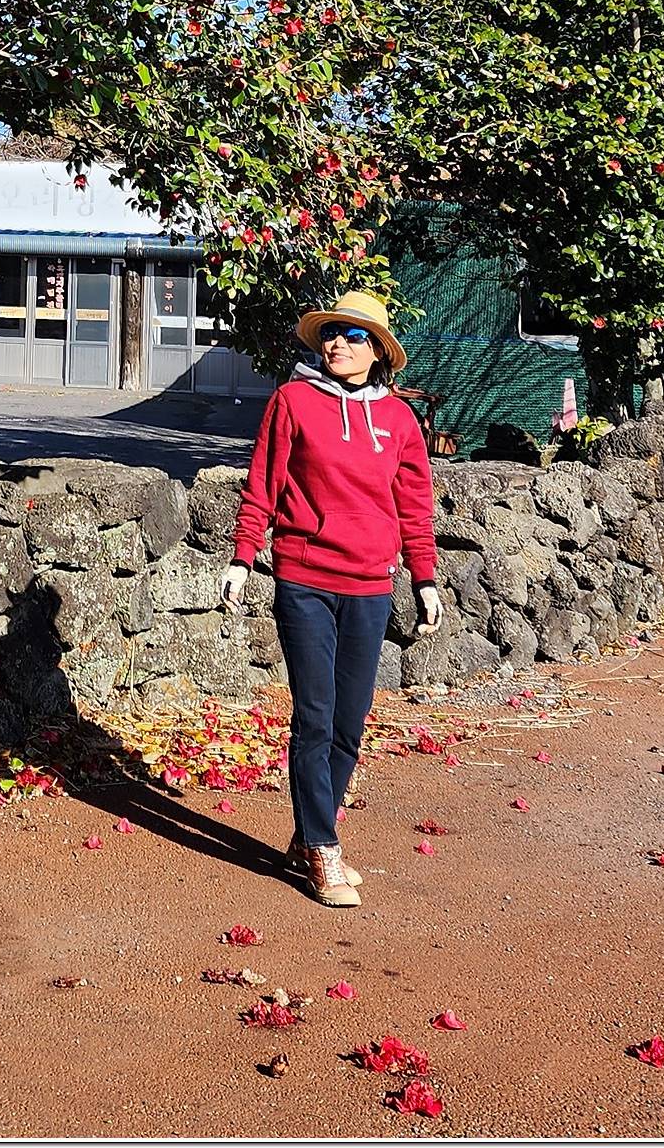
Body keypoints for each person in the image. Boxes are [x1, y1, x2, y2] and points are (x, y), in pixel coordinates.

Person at [219, 289, 439, 908]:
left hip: (371, 585)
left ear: (379, 351)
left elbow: (414, 506)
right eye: (330, 333)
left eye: (354, 334)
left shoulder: (400, 420)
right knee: (315, 715)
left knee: (350, 721)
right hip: (305, 579)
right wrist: (243, 556)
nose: (338, 342)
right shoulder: (292, 402)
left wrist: (424, 577)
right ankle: (323, 846)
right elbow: (263, 483)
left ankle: (309, 833)